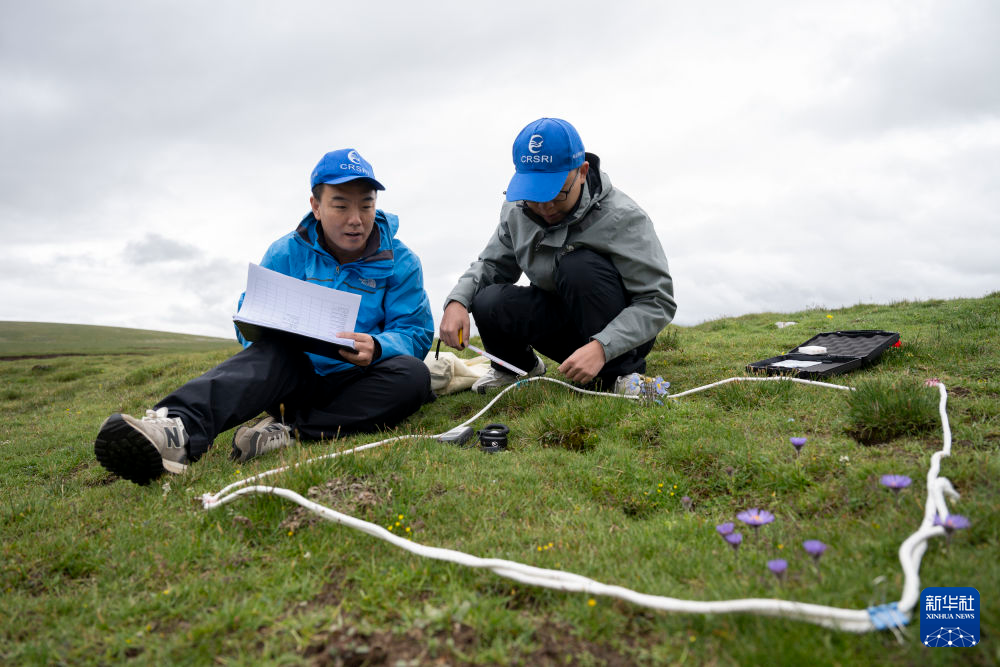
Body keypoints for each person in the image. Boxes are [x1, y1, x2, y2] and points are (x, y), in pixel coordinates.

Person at [94, 149, 435, 485]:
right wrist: (262, 333)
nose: (356, 219)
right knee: (275, 353)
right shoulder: (286, 252)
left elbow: (415, 331)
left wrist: (378, 346)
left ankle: (288, 430)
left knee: (414, 376)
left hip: (362, 381)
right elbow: (251, 316)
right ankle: (176, 430)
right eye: (341, 205)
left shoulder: (402, 260)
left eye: (366, 205)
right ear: (316, 207)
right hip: (294, 379)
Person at [439, 118, 676, 393]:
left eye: (557, 193)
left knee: (577, 266)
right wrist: (457, 301)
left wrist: (603, 346)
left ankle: (618, 376)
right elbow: (492, 265)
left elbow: (657, 301)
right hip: (564, 323)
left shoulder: (624, 217)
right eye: (535, 195)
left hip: (620, 336)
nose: (545, 206)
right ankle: (516, 369)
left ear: (582, 172)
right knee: (486, 300)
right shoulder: (516, 210)